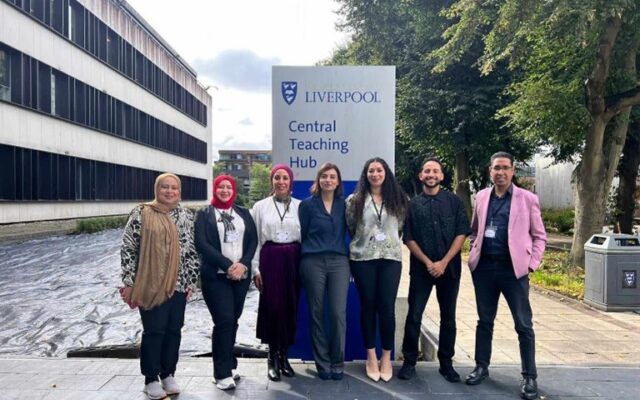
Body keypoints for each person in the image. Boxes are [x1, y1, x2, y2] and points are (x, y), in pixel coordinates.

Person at [464, 152, 546, 400]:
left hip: (514, 271)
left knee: (523, 324)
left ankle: (529, 376)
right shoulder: (481, 197)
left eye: (505, 168)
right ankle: (481, 367)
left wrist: (531, 265)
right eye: (496, 168)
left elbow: (539, 236)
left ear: (513, 171)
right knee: (484, 320)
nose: (500, 172)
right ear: (490, 170)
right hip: (485, 269)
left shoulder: (528, 199)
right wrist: (474, 251)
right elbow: (476, 229)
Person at [120, 172, 200, 400]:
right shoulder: (141, 212)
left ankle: (168, 374)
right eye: (164, 187)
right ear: (157, 189)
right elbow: (128, 248)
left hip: (179, 283)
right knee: (154, 331)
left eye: (173, 188)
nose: (169, 191)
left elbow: (192, 251)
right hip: (149, 282)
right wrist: (128, 282)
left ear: (179, 191)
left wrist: (191, 281)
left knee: (174, 330)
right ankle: (151, 378)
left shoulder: (185, 215)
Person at [398, 158, 470, 383]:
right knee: (414, 315)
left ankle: (446, 363)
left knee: (448, 317)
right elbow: (408, 237)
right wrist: (429, 262)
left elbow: (462, 232)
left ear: (442, 176)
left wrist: (444, 262)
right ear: (421, 176)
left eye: (435, 171)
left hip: (449, 269)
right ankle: (409, 362)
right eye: (427, 171)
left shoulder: (454, 202)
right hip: (421, 270)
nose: (431, 174)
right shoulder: (412, 205)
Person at [346, 157, 408, 382]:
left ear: (386, 173)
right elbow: (352, 227)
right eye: (371, 171)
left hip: (391, 258)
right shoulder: (355, 200)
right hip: (363, 259)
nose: (375, 174)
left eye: (379, 170)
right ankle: (371, 356)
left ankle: (386, 358)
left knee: (387, 308)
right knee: (368, 307)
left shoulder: (399, 199)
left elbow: (400, 227)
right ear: (366, 174)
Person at [195, 175, 258, 391]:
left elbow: (252, 241)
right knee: (224, 320)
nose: (224, 190)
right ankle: (220, 373)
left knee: (233, 320)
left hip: (240, 276)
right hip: (216, 276)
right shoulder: (204, 214)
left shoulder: (242, 213)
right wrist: (227, 265)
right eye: (220, 187)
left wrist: (243, 264)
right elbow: (201, 243)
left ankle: (229, 365)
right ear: (215, 189)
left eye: (228, 187)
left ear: (234, 190)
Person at [298, 162, 350, 380]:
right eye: (324, 176)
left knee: (338, 313)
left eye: (332, 176)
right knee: (316, 313)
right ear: (318, 180)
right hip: (313, 262)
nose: (328, 180)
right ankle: (323, 363)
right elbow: (302, 233)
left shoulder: (345, 206)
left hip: (339, 262)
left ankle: (338, 361)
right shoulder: (307, 206)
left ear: (338, 181)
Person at [251, 164, 302, 381]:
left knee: (290, 307)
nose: (281, 181)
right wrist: (255, 268)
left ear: (291, 182)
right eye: (277, 178)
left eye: (285, 178)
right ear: (272, 181)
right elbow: (254, 240)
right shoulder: (260, 207)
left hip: (293, 259)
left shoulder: (300, 206)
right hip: (270, 258)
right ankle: (272, 357)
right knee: (273, 307)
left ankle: (284, 356)